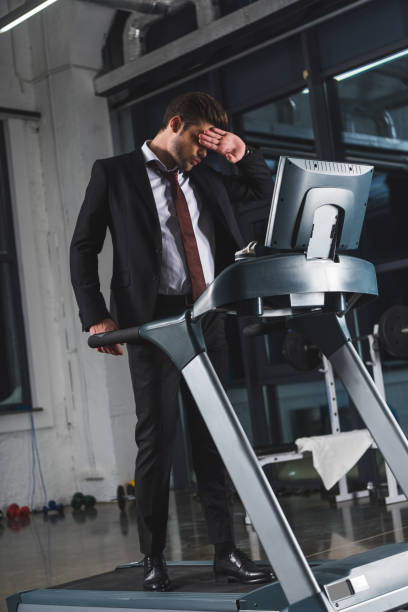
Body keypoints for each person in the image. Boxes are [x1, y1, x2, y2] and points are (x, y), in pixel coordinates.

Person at [70, 92, 274, 591]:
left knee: (214, 438)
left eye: (212, 144)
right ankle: (153, 557)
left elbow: (265, 190)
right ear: (176, 123)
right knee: (157, 441)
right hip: (153, 323)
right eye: (199, 140)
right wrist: (97, 316)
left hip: (207, 317)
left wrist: (239, 151)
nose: (203, 152)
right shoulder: (113, 173)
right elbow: (83, 245)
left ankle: (226, 553)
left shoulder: (206, 175)